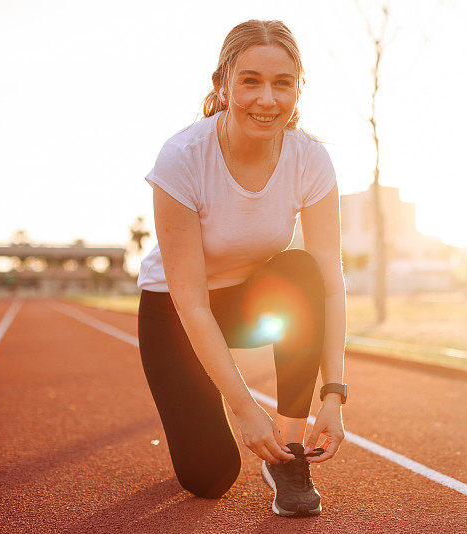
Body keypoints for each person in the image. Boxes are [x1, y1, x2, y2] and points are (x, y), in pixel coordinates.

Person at [135, 19, 347, 517]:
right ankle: (212, 421)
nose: (267, 99)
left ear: (298, 89)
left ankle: (289, 458)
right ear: (223, 86)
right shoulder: (182, 157)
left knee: (301, 274)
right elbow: (190, 302)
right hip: (175, 314)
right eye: (251, 81)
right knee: (210, 478)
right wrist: (244, 408)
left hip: (248, 301)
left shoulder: (310, 159)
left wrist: (334, 393)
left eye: (283, 83)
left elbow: (331, 285)